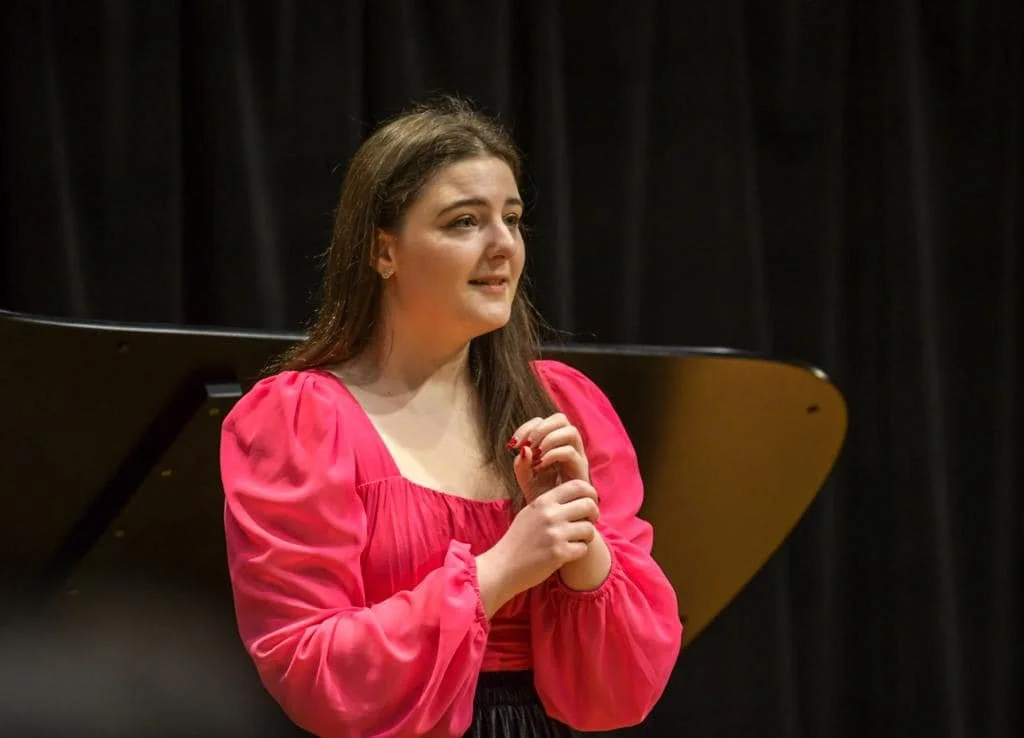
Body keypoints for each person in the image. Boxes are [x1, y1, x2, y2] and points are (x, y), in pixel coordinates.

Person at [219, 96, 683, 738]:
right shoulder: (300, 419)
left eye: (513, 219)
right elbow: (312, 665)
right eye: (465, 222)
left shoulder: (564, 405)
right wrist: (500, 570)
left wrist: (579, 541)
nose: (503, 246)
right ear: (384, 250)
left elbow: (626, 688)